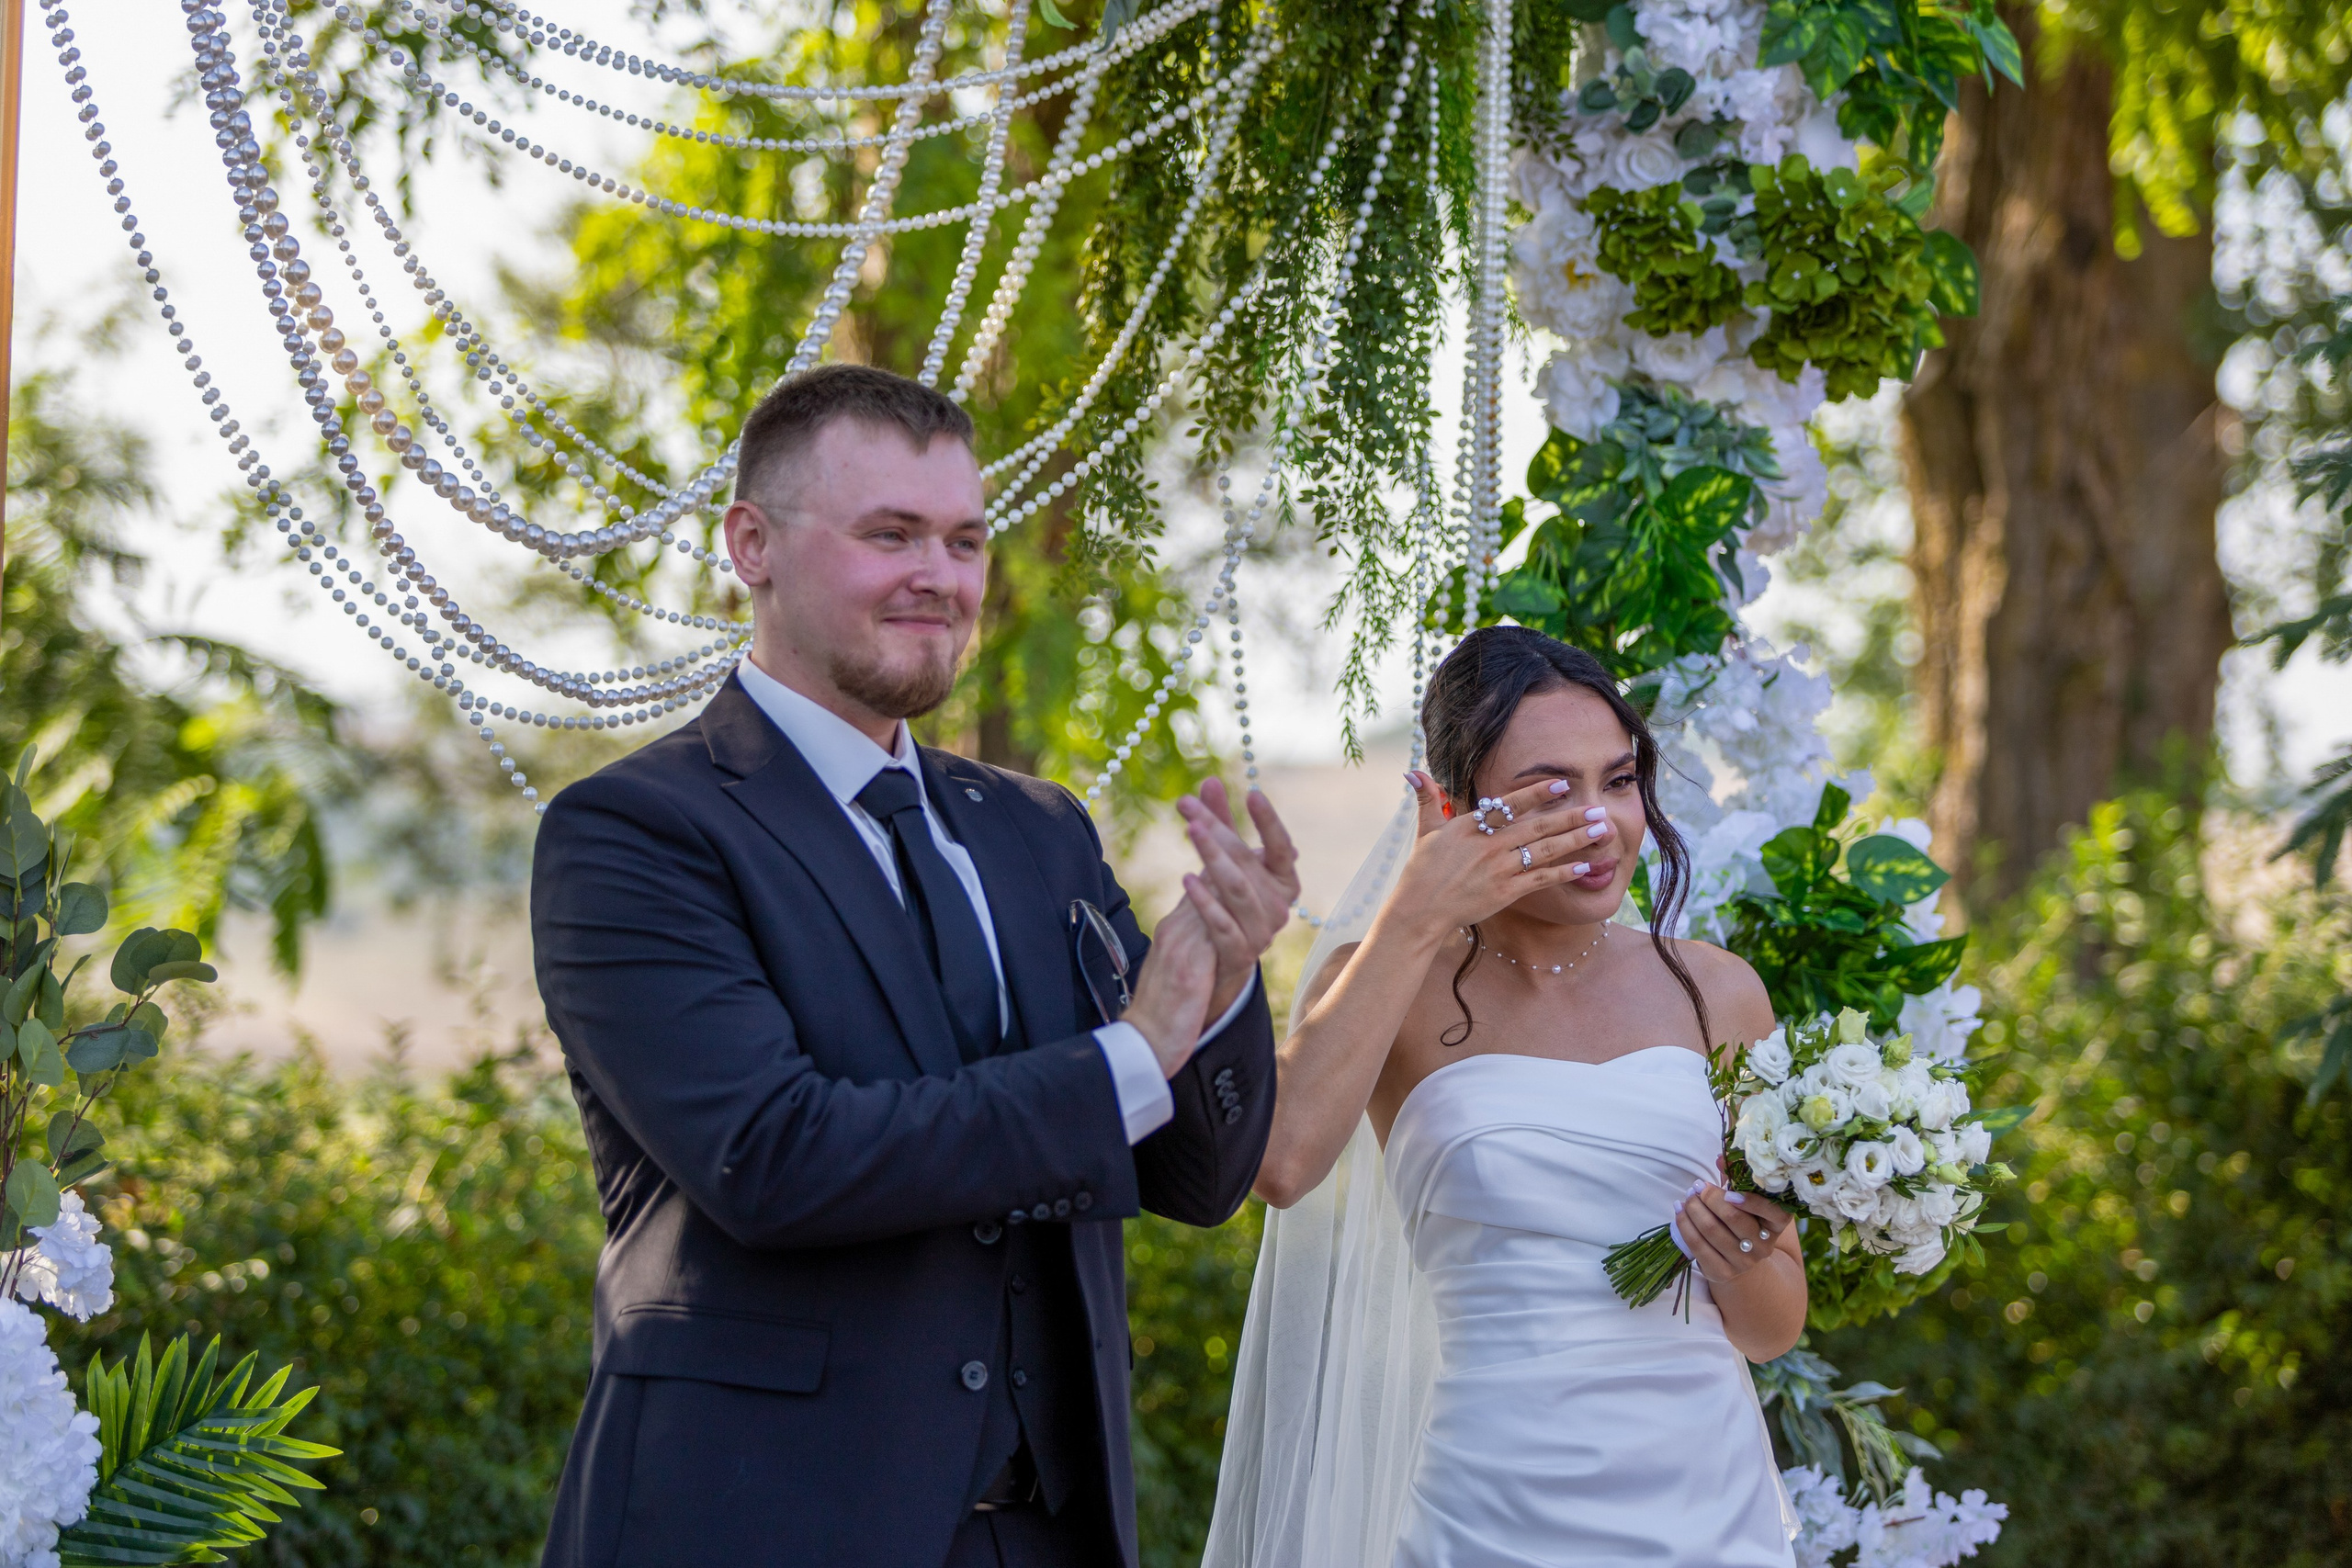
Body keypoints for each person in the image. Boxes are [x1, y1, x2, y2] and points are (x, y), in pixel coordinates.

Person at [529, 364, 1299, 1568]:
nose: (939, 576)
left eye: (964, 538)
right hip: (761, 1526)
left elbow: (1193, 1175)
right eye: (889, 533)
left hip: (1047, 1532)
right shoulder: (637, 830)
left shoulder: (1040, 830)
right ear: (752, 544)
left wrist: (1230, 979)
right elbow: (776, 1158)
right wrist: (1132, 1053)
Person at [1204, 625, 1804, 1568]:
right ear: (1453, 807)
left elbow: (1773, 1330)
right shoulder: (1385, 987)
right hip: (1493, 1509)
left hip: (1708, 1507)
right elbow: (1276, 1164)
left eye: (1618, 779)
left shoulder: (1718, 990)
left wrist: (1736, 1261)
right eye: (1550, 792)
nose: (1601, 823)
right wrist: (1418, 911)